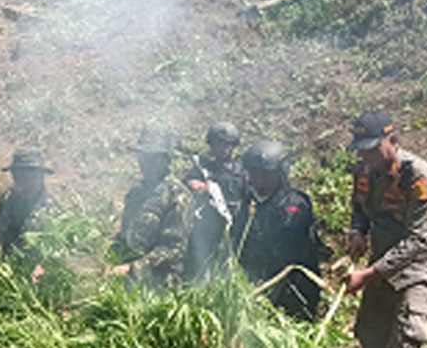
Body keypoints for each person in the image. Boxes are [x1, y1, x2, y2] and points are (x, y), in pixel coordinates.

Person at [345, 111, 427, 348]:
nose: (367, 157)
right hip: (381, 262)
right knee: (370, 334)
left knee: (408, 337)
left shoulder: (418, 177)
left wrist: (367, 274)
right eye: (361, 151)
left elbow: (417, 239)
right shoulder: (363, 170)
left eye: (373, 150)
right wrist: (357, 232)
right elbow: (360, 207)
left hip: (417, 268)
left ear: (393, 140)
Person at [231, 139, 321, 320]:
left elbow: (290, 248)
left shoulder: (296, 205)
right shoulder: (246, 204)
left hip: (292, 291)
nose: (261, 181)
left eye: (267, 175)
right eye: (256, 175)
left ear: (280, 174)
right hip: (254, 289)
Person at [110, 122, 193, 290]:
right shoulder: (136, 193)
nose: (144, 163)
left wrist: (131, 268)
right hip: (128, 283)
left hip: (161, 286)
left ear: (165, 160)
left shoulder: (178, 195)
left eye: (151, 158)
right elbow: (126, 236)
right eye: (142, 157)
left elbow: (173, 249)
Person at [184, 121, 246, 280]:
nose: (226, 148)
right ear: (212, 144)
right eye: (221, 143)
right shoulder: (204, 167)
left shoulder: (241, 167)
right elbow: (189, 182)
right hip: (210, 225)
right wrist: (202, 187)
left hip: (237, 223)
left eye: (230, 144)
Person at [0, 148, 56, 255]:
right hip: (8, 267)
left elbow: (56, 252)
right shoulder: (6, 201)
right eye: (19, 176)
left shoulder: (52, 209)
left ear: (41, 176)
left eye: (30, 176)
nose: (24, 181)